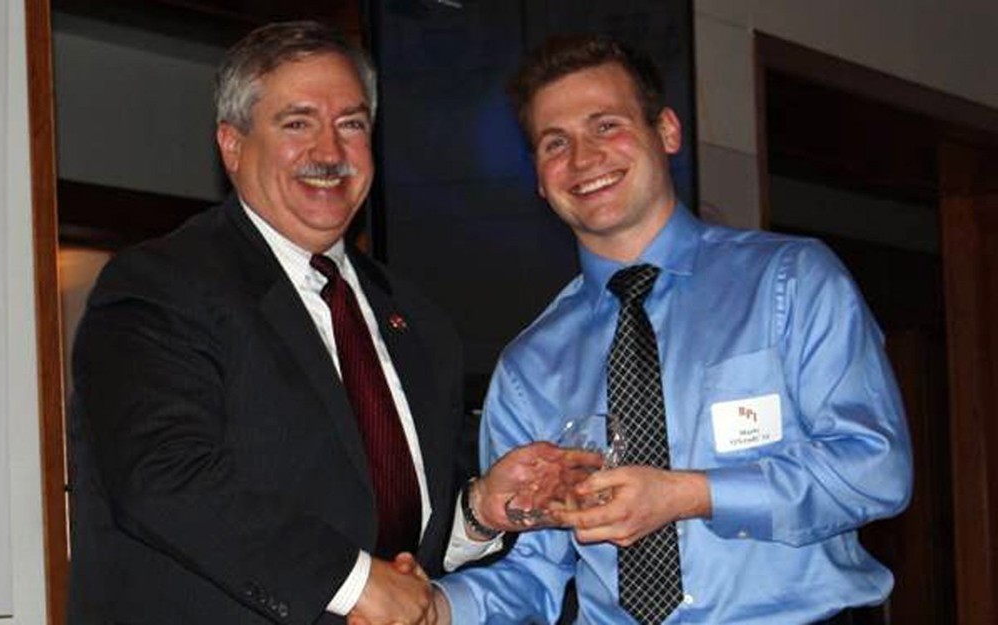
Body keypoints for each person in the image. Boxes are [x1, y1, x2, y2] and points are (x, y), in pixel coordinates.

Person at [65, 20, 578, 625]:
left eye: (351, 124)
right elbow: (163, 477)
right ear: (232, 146)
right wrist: (354, 583)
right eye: (297, 123)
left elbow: (392, 533)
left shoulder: (418, 322)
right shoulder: (161, 286)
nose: (330, 153)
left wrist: (477, 512)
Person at [433, 34, 913, 624]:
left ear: (666, 132)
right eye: (556, 142)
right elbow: (530, 573)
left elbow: (876, 471)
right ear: (538, 177)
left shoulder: (790, 281)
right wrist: (435, 608)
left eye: (606, 125)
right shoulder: (529, 367)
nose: (583, 158)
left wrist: (689, 494)